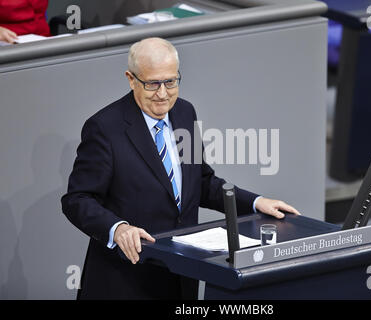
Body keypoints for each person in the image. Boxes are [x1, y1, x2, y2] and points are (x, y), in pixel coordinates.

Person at [61, 37, 300, 300]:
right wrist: (117, 229)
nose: (163, 94)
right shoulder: (105, 128)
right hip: (125, 279)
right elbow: (77, 199)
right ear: (131, 79)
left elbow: (201, 182)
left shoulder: (185, 113)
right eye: (152, 83)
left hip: (179, 276)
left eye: (170, 82)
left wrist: (255, 202)